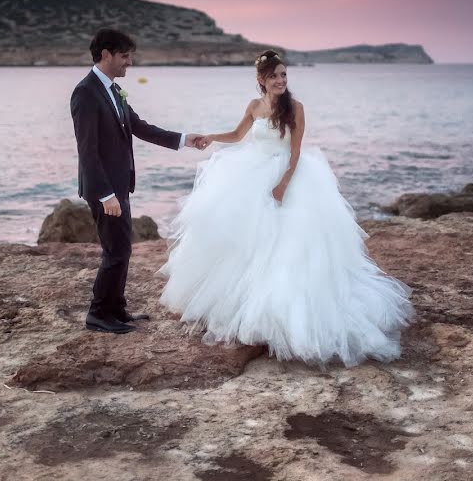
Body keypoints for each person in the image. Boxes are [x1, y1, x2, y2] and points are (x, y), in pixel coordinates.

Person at [159, 50, 414, 366]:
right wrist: (211, 137)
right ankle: (242, 308)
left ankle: (282, 317)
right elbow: (238, 136)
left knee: (289, 245)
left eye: (284, 75)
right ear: (261, 81)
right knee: (243, 241)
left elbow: (295, 153)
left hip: (288, 178)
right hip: (252, 174)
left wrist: (282, 184)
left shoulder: (296, 108)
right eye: (274, 76)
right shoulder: (254, 106)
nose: (280, 80)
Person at [70, 28, 204, 334]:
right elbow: (87, 150)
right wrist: (105, 195)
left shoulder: (113, 90)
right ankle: (98, 314)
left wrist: (184, 139)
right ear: (106, 54)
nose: (129, 62)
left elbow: (139, 127)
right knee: (115, 251)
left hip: (119, 185)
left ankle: (116, 308)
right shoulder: (86, 92)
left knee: (123, 249)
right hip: (105, 189)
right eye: (124, 56)